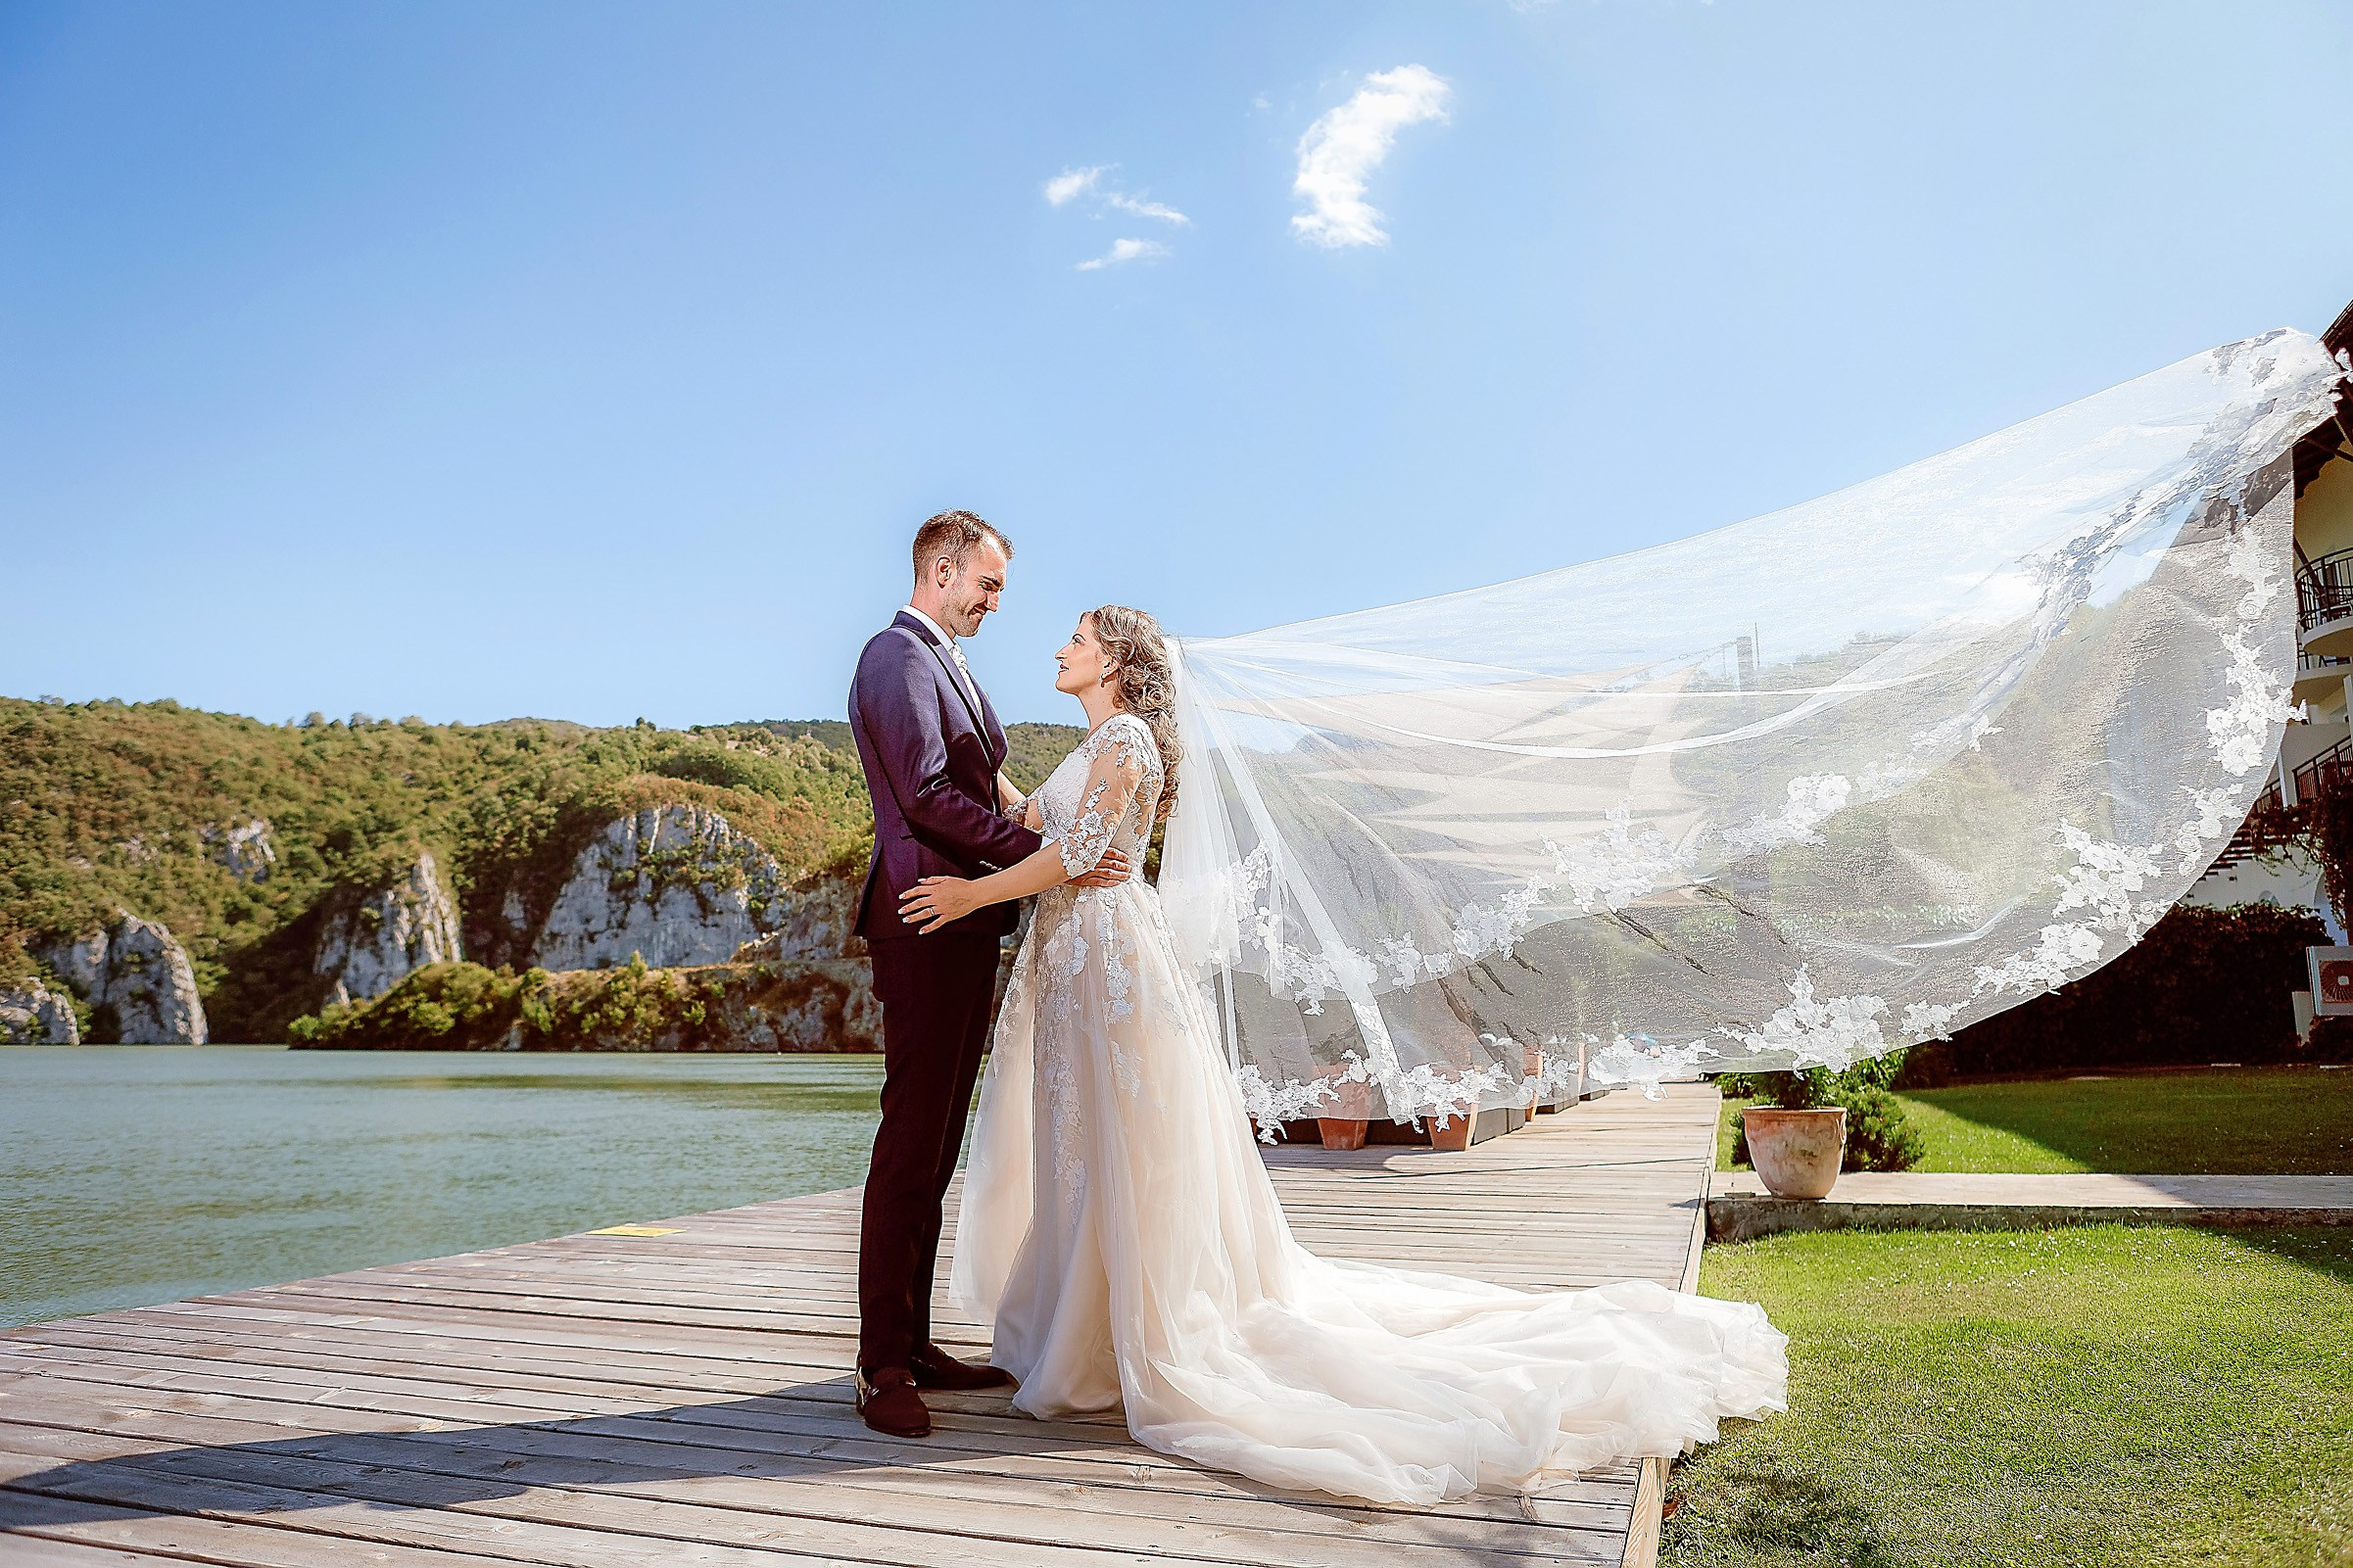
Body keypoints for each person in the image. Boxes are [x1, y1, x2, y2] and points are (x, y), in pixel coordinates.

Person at [898, 603, 1790, 1505]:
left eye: (1079, 639)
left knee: (1121, 1139)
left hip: (1110, 960)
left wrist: (972, 897)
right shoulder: (1094, 746)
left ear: (1118, 660)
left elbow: (1084, 850)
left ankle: (1130, 1328)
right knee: (1082, 1139)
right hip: (1071, 959)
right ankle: (1081, 1326)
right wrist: (987, 770)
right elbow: (1038, 823)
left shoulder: (1127, 737)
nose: (1061, 648)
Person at [844, 510, 1131, 1440]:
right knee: (910, 1139)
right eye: (989, 583)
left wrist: (1046, 842)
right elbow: (927, 795)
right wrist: (1046, 852)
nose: (996, 601)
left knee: (935, 1143)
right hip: (926, 916)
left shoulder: (946, 664)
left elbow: (982, 781)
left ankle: (916, 1340)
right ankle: (881, 1362)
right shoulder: (894, 659)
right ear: (941, 567)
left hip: (966, 922)